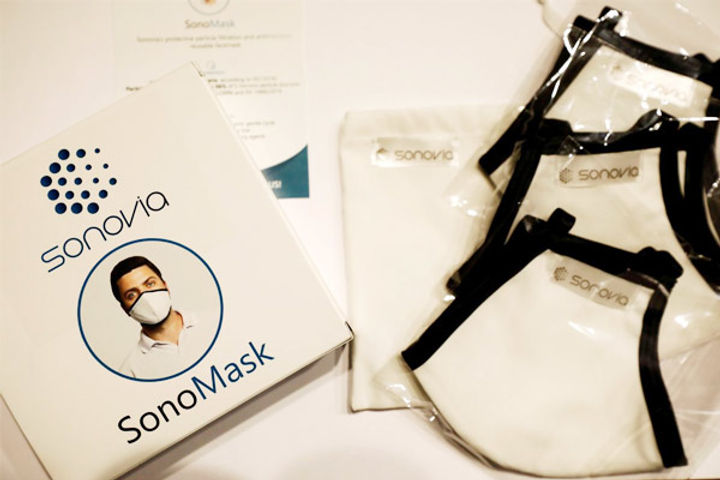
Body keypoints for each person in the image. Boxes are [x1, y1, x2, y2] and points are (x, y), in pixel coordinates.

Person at [110, 256, 210, 379]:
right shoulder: (130, 373)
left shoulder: (214, 322)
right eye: (131, 295)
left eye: (150, 284)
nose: (145, 297)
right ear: (125, 309)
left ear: (166, 286)